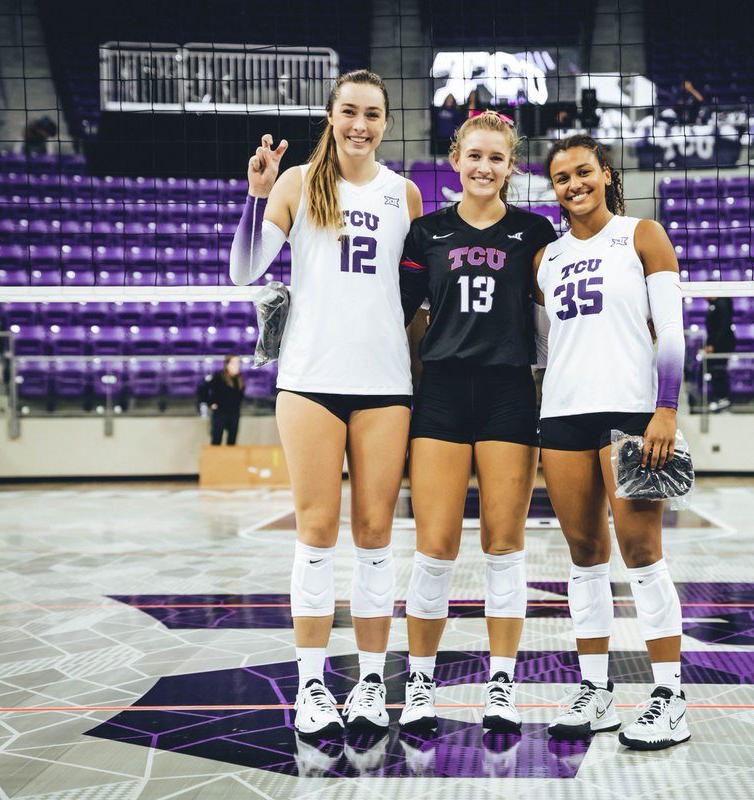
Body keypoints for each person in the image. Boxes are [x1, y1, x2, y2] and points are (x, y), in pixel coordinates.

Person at [229, 69, 424, 739]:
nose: (359, 124)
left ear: (386, 122)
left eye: (372, 113)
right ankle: (312, 683)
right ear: (331, 114)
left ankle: (372, 681)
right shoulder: (297, 183)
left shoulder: (406, 195)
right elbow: (246, 270)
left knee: (375, 536)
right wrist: (257, 197)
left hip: (384, 384)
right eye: (349, 111)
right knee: (315, 533)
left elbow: (417, 301)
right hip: (310, 378)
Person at [396, 111, 557, 735]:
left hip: (508, 393)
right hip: (440, 392)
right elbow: (398, 315)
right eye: (475, 156)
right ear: (456, 159)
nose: (485, 167)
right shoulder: (425, 233)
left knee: (503, 547)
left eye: (498, 158)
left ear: (511, 166)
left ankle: (501, 685)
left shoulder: (534, 231)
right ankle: (419, 684)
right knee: (434, 547)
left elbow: (561, 309)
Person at [534, 134, 690, 750]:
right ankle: (595, 690)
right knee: (583, 555)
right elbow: (545, 345)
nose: (574, 184)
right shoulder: (544, 259)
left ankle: (669, 696)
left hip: (631, 413)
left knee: (643, 552)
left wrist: (667, 409)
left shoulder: (642, 234)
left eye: (584, 172)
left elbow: (673, 333)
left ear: (605, 174)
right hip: (564, 415)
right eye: (561, 177)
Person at [202, 355, 245, 444]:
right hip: (220, 413)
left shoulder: (239, 379)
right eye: (234, 363)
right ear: (227, 365)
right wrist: (210, 403)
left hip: (234, 413)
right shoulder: (219, 377)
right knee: (216, 440)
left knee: (232, 442)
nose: (237, 365)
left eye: (238, 363)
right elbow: (203, 389)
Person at [705, 296, 736, 410]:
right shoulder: (715, 305)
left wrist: (713, 345)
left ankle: (723, 398)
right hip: (717, 344)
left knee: (718, 370)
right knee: (715, 370)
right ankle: (720, 397)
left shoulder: (722, 304)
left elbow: (723, 327)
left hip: (722, 345)